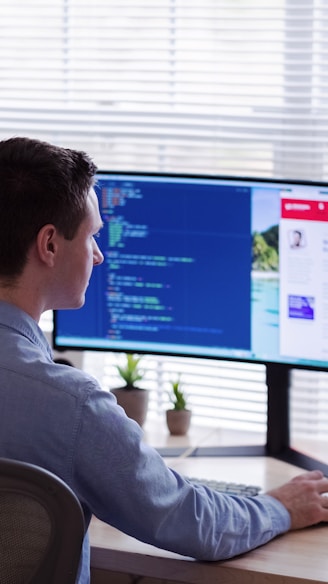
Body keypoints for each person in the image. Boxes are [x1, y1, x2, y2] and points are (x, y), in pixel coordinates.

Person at [0, 137, 327, 584]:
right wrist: (281, 507)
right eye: (93, 234)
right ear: (50, 245)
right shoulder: (68, 405)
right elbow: (192, 523)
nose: (99, 253)